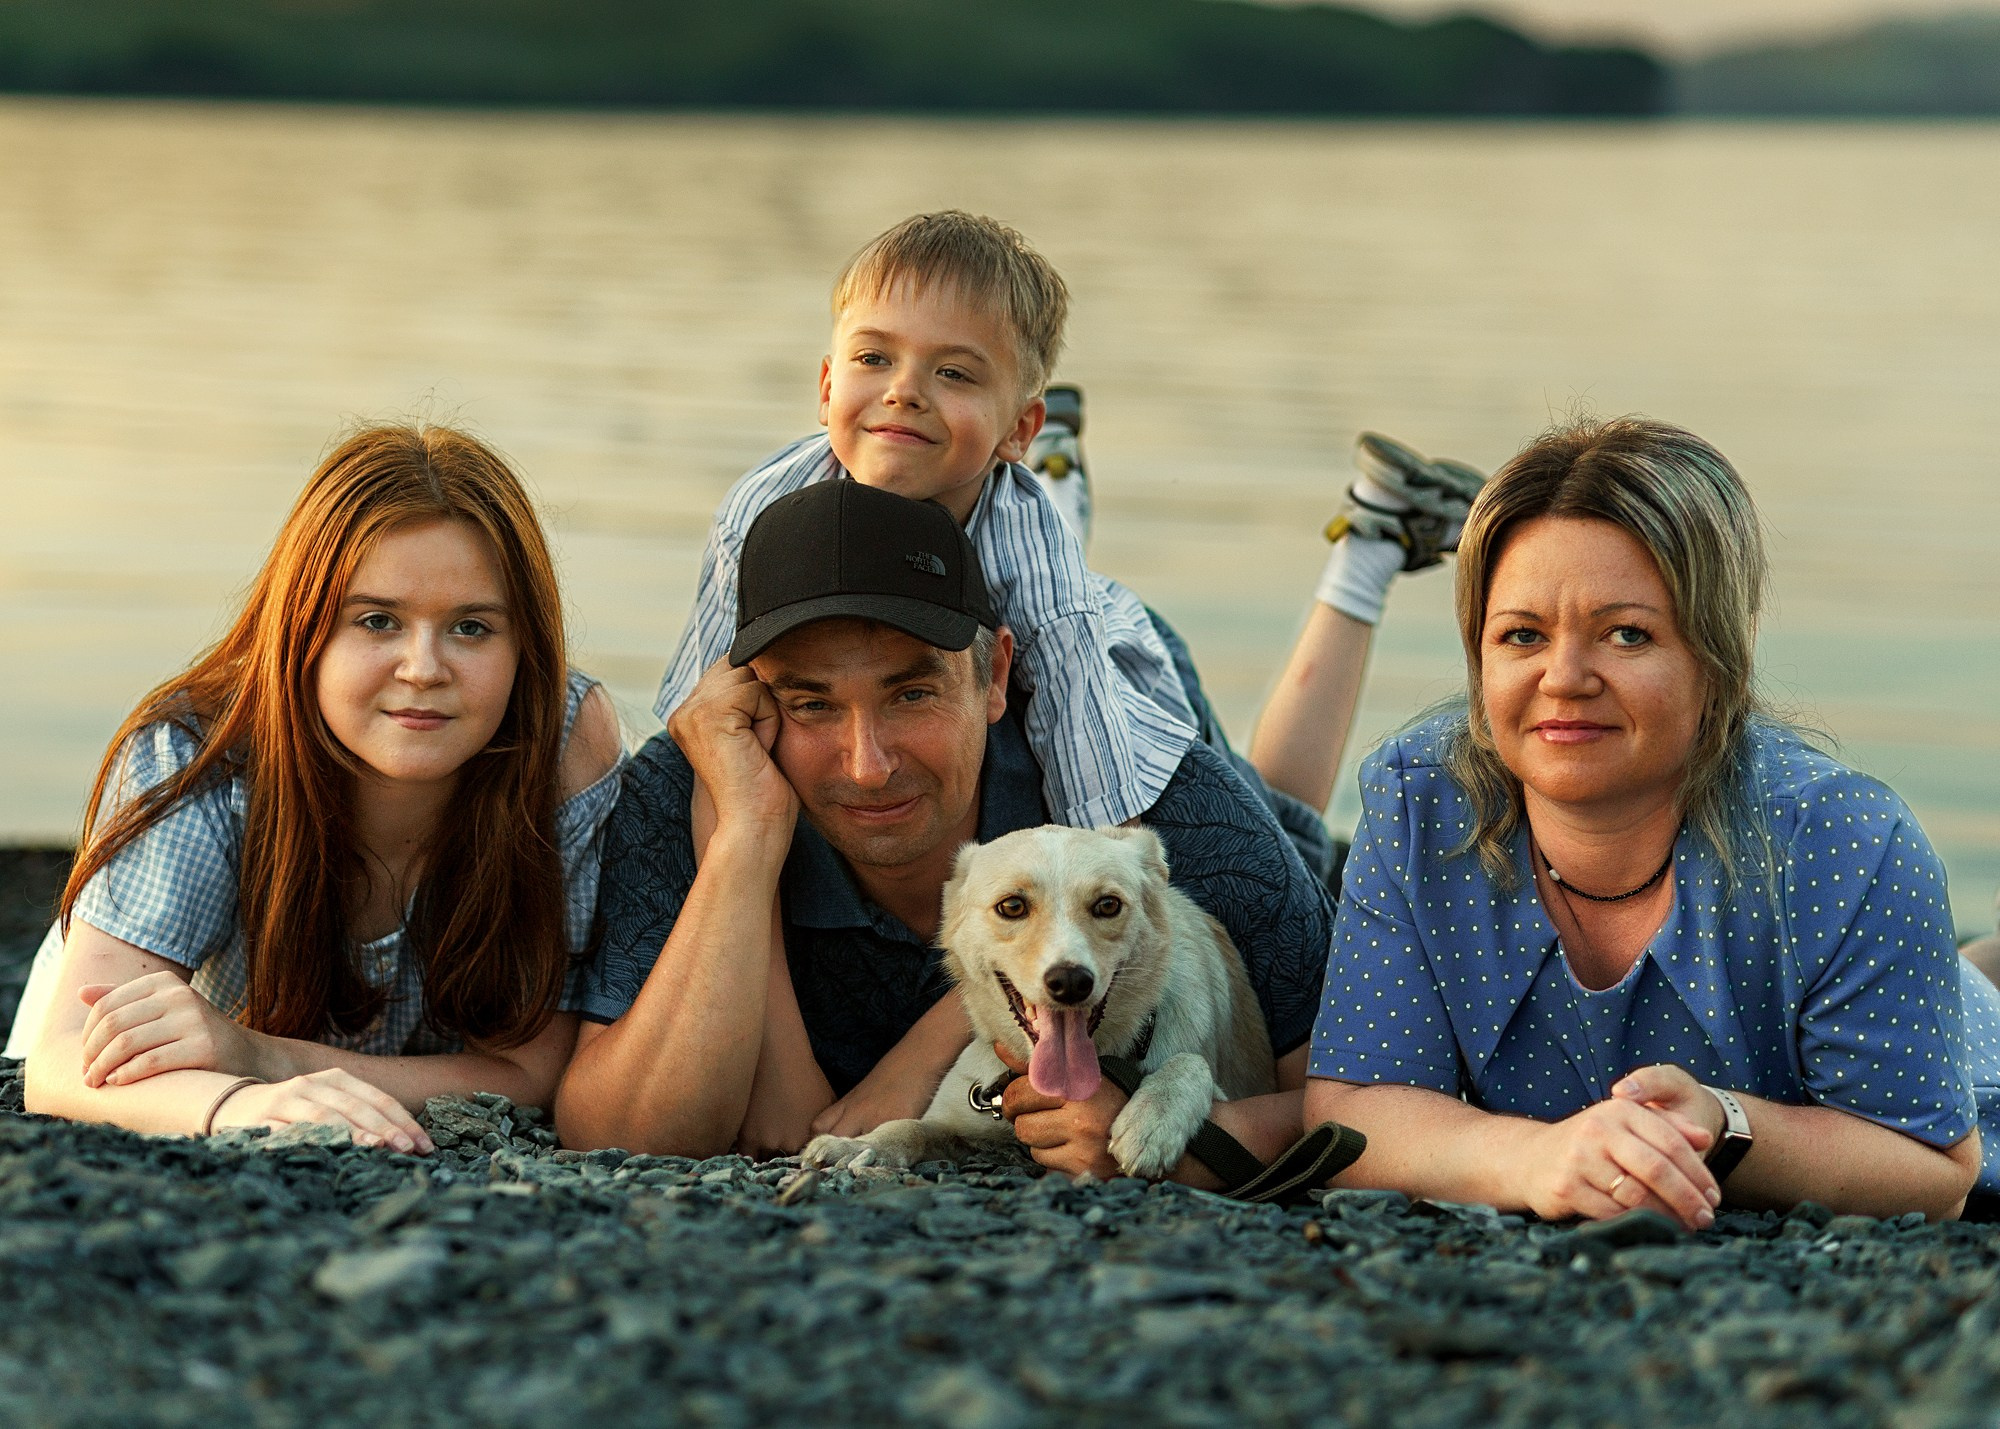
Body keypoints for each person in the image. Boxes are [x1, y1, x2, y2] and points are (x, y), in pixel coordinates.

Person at [1302, 416, 2000, 1226]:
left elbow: (1936, 1173)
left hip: (1975, 1068)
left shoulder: (1845, 840)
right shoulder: (1420, 803)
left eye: (1626, 634)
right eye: (1522, 634)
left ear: (1717, 659)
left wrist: (1721, 1124)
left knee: (1974, 990)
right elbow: (1354, 1106)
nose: (1563, 678)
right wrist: (1534, 1158)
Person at [554, 481, 1334, 1166]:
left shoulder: (1175, 799)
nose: (867, 764)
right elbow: (620, 1131)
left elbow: (1355, 1101)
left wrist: (1176, 1130)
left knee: (1295, 830)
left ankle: (1327, 555)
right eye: (812, 702)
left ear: (994, 675)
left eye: (912, 694)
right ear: (756, 700)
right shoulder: (688, 788)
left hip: (1159, 697)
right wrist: (747, 841)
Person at [12, 425, 624, 1149]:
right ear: (305, 629)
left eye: (470, 627)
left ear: (525, 645)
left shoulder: (562, 748)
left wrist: (263, 1055)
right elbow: (58, 1062)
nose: (423, 667)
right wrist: (243, 1105)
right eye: (376, 620)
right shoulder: (201, 751)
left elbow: (536, 1068)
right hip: (177, 1077)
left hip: (245, 1056)